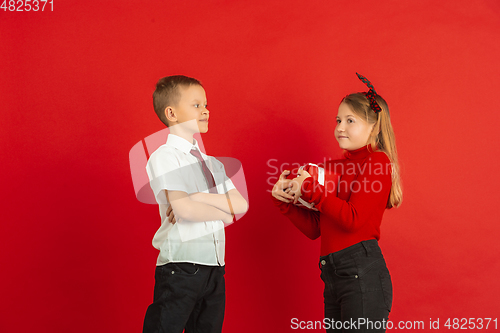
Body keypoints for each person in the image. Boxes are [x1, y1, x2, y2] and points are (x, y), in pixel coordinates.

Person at [271, 73, 402, 332]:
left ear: (373, 127)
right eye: (338, 120)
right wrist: (286, 203)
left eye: (350, 120)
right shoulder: (334, 169)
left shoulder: (377, 162)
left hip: (361, 275)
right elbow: (317, 229)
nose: (340, 127)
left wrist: (309, 188)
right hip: (333, 275)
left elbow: (352, 219)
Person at [143, 75, 248, 333]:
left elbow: (241, 206)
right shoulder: (165, 157)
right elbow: (184, 210)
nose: (206, 110)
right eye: (197, 105)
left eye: (206, 104)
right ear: (172, 113)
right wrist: (220, 210)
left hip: (215, 269)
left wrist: (196, 196)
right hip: (181, 267)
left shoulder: (214, 163)